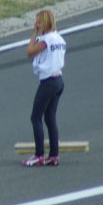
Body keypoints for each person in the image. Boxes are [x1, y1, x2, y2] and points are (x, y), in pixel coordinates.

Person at [23, 9, 66, 167]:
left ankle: (39, 155)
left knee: (35, 117)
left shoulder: (46, 39)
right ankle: (54, 155)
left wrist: (34, 34)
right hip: (59, 81)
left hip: (48, 82)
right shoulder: (60, 38)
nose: (36, 24)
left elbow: (29, 52)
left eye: (39, 21)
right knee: (50, 118)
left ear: (46, 22)